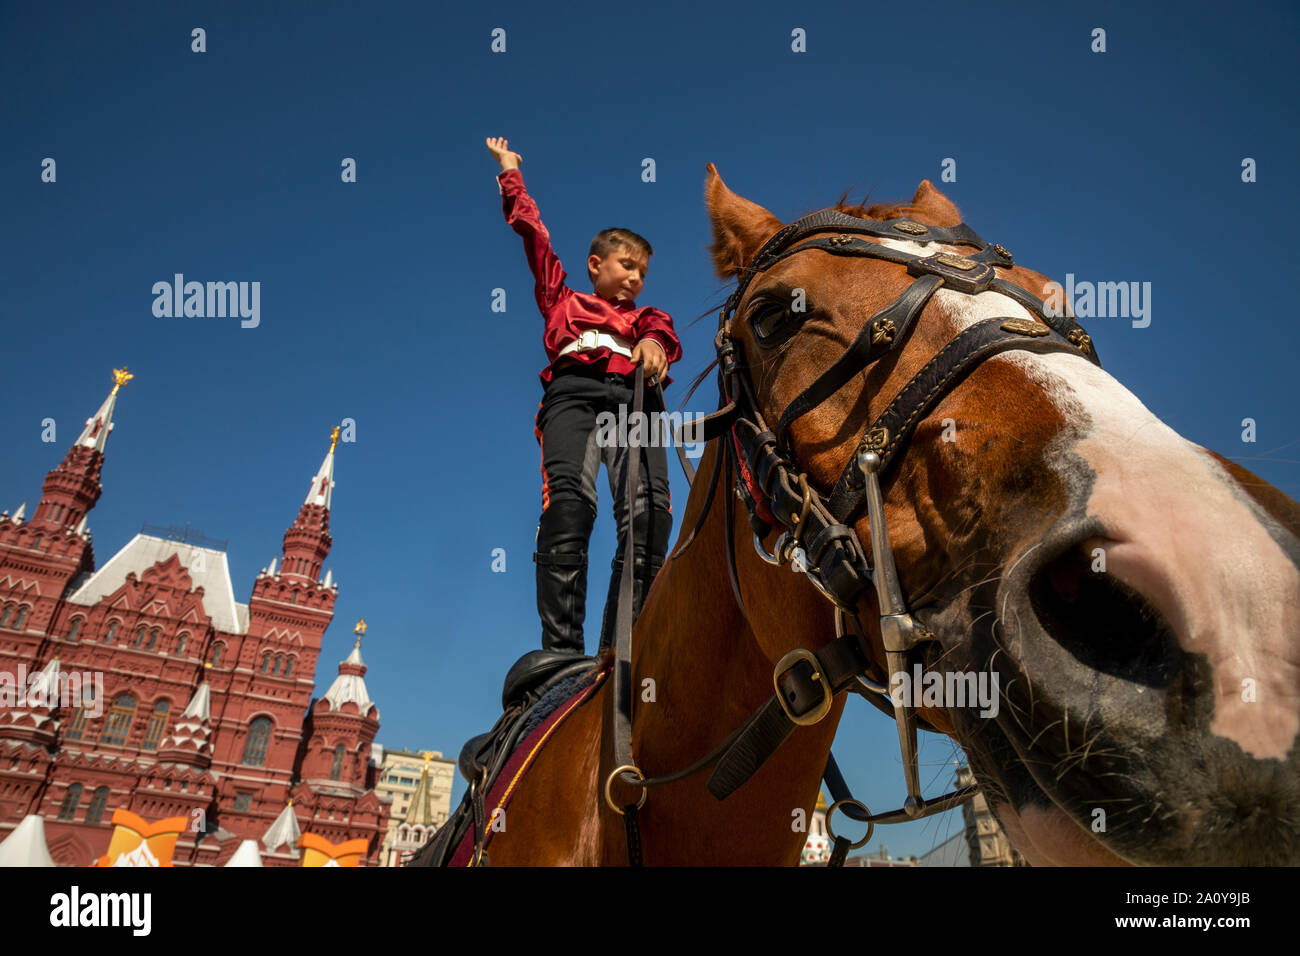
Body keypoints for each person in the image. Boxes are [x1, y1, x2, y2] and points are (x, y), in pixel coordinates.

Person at [486, 136, 682, 656]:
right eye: (626, 265)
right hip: (573, 395)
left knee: (650, 514)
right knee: (569, 506)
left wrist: (653, 344)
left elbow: (662, 334)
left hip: (635, 401)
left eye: (643, 271)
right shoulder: (562, 297)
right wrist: (510, 171)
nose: (635, 278)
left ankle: (626, 642)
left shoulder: (646, 317)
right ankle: (562, 651)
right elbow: (533, 233)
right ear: (596, 265)